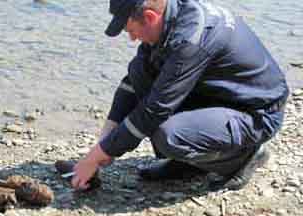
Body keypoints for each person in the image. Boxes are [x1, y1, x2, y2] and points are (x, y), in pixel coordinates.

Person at [70, 0, 289, 191]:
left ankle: (244, 158)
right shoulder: (171, 16)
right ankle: (190, 161)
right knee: (140, 72)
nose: (131, 38)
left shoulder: (189, 40)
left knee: (168, 134)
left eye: (131, 30)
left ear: (150, 17)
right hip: (219, 97)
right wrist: (103, 143)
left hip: (256, 112)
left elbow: (154, 110)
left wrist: (99, 155)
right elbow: (133, 83)